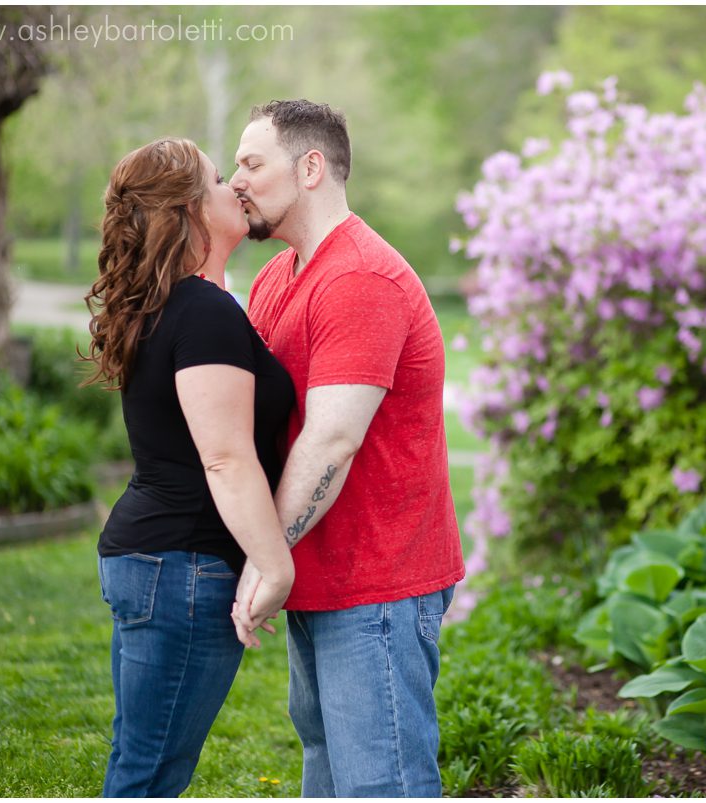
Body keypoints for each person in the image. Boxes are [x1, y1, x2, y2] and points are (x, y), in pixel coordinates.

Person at [228, 100, 465, 797]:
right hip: (319, 574)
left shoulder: (359, 277)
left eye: (251, 163)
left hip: (379, 585)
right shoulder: (280, 275)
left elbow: (330, 439)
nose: (235, 179)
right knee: (329, 769)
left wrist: (263, 556)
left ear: (310, 167)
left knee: (376, 782)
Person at [83, 137, 296, 797]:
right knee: (149, 776)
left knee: (140, 762)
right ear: (188, 209)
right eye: (216, 176)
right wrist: (276, 563)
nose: (234, 183)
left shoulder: (196, 303)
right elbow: (225, 456)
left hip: (158, 561)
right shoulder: (200, 312)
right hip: (182, 568)